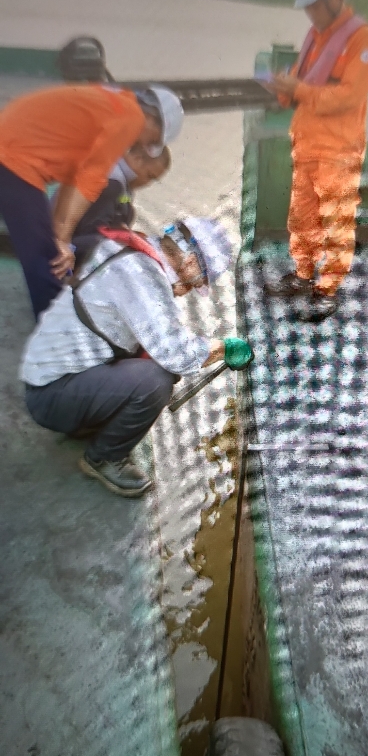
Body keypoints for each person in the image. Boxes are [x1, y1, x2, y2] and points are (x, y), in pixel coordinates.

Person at [19, 215, 235, 498]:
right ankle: (103, 458)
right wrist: (225, 348)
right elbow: (178, 355)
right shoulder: (143, 279)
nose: (189, 291)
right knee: (155, 380)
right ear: (191, 263)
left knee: (155, 361)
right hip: (50, 397)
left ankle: (89, 419)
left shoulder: (133, 252)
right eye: (197, 283)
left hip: (56, 378)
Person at [0, 80, 184, 321]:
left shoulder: (114, 102)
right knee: (48, 260)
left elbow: (75, 179)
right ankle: (57, 331)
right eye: (153, 142)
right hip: (14, 159)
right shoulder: (130, 119)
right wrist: (61, 241)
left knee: (50, 249)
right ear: (153, 120)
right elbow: (88, 181)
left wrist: (60, 237)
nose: (143, 145)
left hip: (9, 143)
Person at [264, 0, 368, 322]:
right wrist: (283, 89)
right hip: (307, 144)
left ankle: (328, 288)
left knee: (337, 222)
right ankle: (302, 274)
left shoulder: (363, 40)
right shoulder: (314, 37)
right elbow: (303, 84)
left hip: (339, 150)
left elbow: (348, 96)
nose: (311, 13)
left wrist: (297, 89)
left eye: (315, 4)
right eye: (307, 6)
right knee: (301, 217)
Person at [61, 144, 172, 266]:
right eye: (149, 176)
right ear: (137, 159)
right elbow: (92, 238)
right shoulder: (112, 183)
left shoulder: (120, 182)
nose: (148, 183)